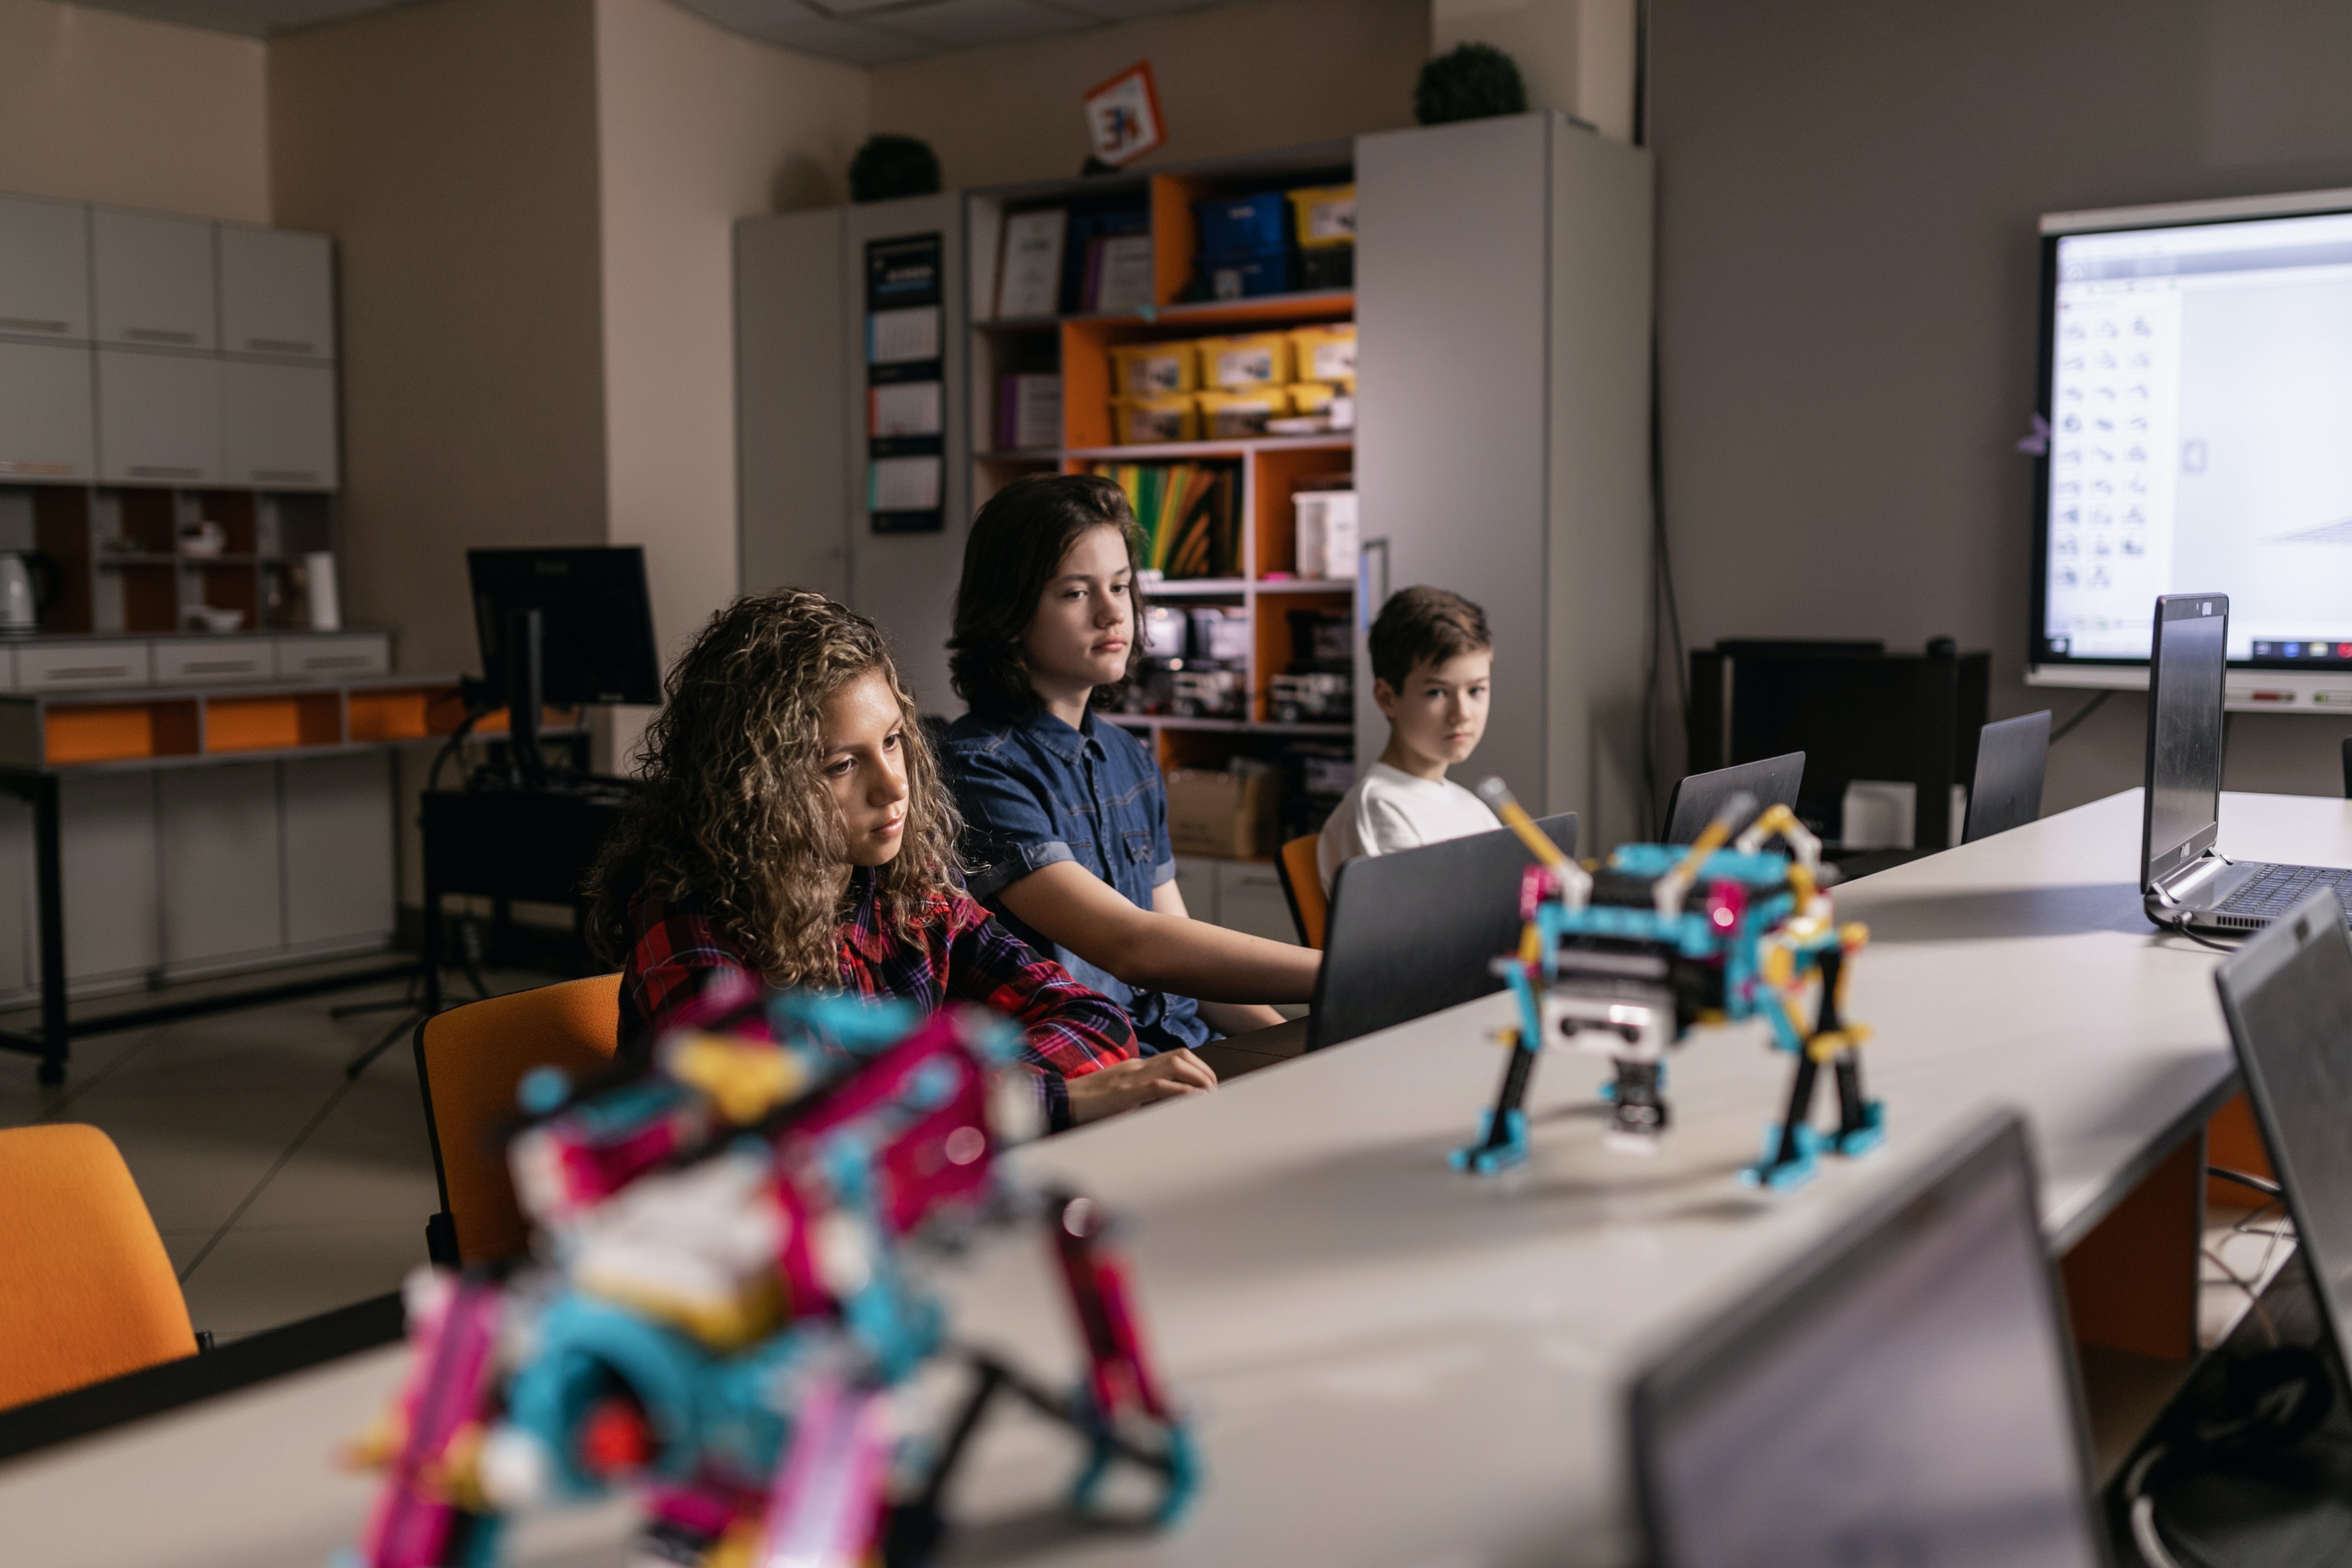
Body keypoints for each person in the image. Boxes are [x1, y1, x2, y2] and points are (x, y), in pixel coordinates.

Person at [583, 589, 1216, 1129]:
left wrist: (955, 1104)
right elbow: (789, 1132)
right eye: (841, 764)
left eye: (891, 741)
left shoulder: (904, 890)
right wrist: (1036, 1099)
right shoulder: (691, 925)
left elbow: (1094, 1017)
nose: (894, 787)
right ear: (756, 785)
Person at [941, 474, 1320, 1053]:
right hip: (1100, 1070)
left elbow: (1182, 954)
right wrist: (1342, 970)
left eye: (1120, 586)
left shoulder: (1130, 758)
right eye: (1075, 592)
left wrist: (1297, 1044)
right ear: (1009, 612)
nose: (1112, 613)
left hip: (1181, 1047)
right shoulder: (978, 769)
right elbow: (1134, 947)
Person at [1317, 586, 1500, 893]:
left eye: (1476, 690)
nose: (1462, 713)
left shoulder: (1472, 808)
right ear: (1388, 698)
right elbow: (1424, 937)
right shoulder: (1381, 810)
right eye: (1437, 692)